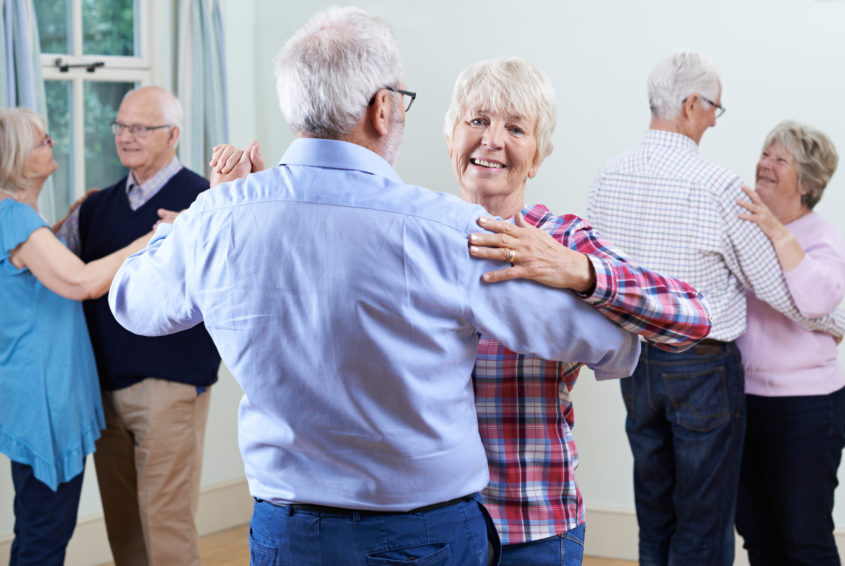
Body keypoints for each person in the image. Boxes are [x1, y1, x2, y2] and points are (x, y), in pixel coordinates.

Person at [107, 7, 642, 566]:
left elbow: (133, 302)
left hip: (284, 534)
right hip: (422, 536)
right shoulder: (446, 232)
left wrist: (210, 207)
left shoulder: (218, 217)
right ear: (382, 109)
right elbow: (608, 342)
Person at [438, 57, 711, 565]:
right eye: (477, 121)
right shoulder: (417, 236)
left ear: (537, 157)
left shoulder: (562, 238)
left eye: (516, 128)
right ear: (451, 138)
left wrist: (579, 271)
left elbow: (690, 318)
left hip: (536, 526)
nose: (492, 140)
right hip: (434, 529)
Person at [587, 51, 845, 566]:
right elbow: (774, 287)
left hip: (637, 363)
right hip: (703, 368)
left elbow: (601, 274)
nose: (713, 119)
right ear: (690, 105)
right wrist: (831, 322)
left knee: (655, 509)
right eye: (714, 109)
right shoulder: (716, 185)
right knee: (703, 519)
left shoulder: (607, 176)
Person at [55, 86, 220, 566]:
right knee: (123, 531)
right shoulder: (96, 206)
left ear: (173, 135)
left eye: (140, 128)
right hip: (102, 390)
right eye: (120, 126)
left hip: (170, 388)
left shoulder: (204, 202)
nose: (126, 137)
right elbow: (49, 266)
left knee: (166, 529)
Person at [0, 107, 153, 565]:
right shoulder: (15, 219)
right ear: (14, 158)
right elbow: (82, 282)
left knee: (35, 526)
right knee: (46, 533)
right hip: (44, 398)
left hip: (36, 390)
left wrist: (68, 219)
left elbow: (34, 278)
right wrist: (157, 234)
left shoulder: (21, 221)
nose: (53, 145)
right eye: (42, 141)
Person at [734, 121, 845, 565]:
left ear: (808, 183)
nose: (765, 164)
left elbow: (818, 299)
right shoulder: (744, 228)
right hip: (743, 402)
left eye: (781, 159)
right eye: (765, 153)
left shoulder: (822, 236)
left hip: (807, 408)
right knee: (758, 534)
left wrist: (777, 230)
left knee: (805, 537)